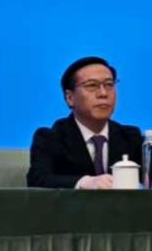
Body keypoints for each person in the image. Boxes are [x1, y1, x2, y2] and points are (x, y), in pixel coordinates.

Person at [28, 56, 145, 189]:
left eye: (109, 84)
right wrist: (84, 182)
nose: (103, 93)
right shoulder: (50, 138)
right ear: (70, 98)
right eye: (92, 85)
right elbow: (38, 179)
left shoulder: (131, 137)